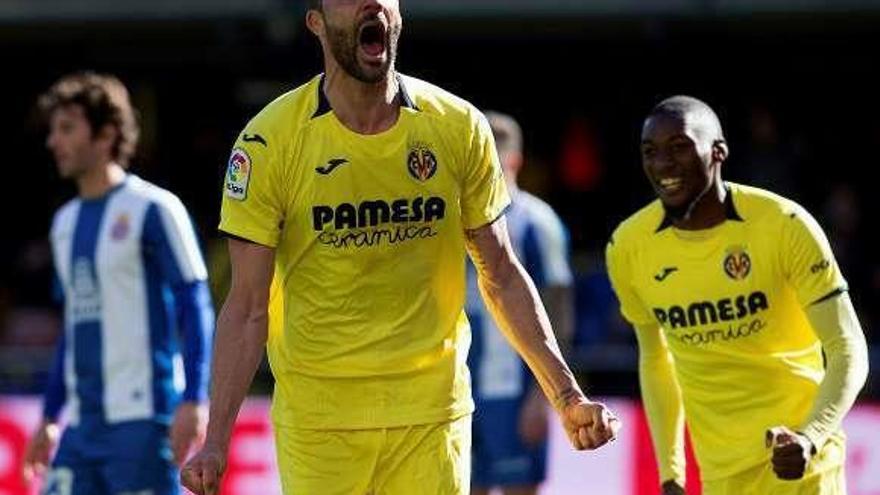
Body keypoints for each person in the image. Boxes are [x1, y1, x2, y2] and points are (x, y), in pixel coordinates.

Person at [181, 1, 619, 494]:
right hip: (321, 425)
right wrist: (216, 439)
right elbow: (246, 309)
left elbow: (501, 273)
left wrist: (565, 394)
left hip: (431, 417)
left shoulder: (457, 126)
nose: (370, 3)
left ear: (399, 15)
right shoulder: (269, 142)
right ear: (317, 24)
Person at [605, 95, 869, 495]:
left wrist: (811, 436)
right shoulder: (628, 248)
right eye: (650, 152)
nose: (662, 165)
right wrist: (671, 473)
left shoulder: (785, 225)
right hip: (721, 475)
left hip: (804, 463)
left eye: (679, 147)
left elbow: (848, 346)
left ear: (718, 152)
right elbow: (657, 359)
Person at [22, 72, 215, 495]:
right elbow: (75, 326)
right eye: (53, 129)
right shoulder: (64, 224)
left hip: (145, 422)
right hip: (83, 428)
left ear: (107, 134)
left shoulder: (155, 209)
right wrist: (51, 417)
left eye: (67, 128)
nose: (54, 141)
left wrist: (195, 399)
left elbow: (195, 302)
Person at [467, 111, 575, 495]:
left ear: (515, 160)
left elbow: (559, 308)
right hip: (460, 388)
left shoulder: (537, 222)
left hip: (514, 391)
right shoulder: (455, 220)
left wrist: (542, 397)